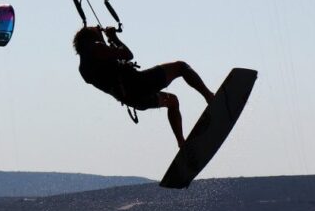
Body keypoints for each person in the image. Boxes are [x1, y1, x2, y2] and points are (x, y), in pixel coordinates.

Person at [73, 26, 214, 147]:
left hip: (133, 99)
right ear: (90, 40)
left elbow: (108, 68)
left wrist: (105, 41)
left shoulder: (83, 69)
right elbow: (128, 55)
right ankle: (209, 97)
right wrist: (113, 37)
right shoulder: (96, 49)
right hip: (140, 84)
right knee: (181, 67)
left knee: (172, 101)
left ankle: (181, 143)